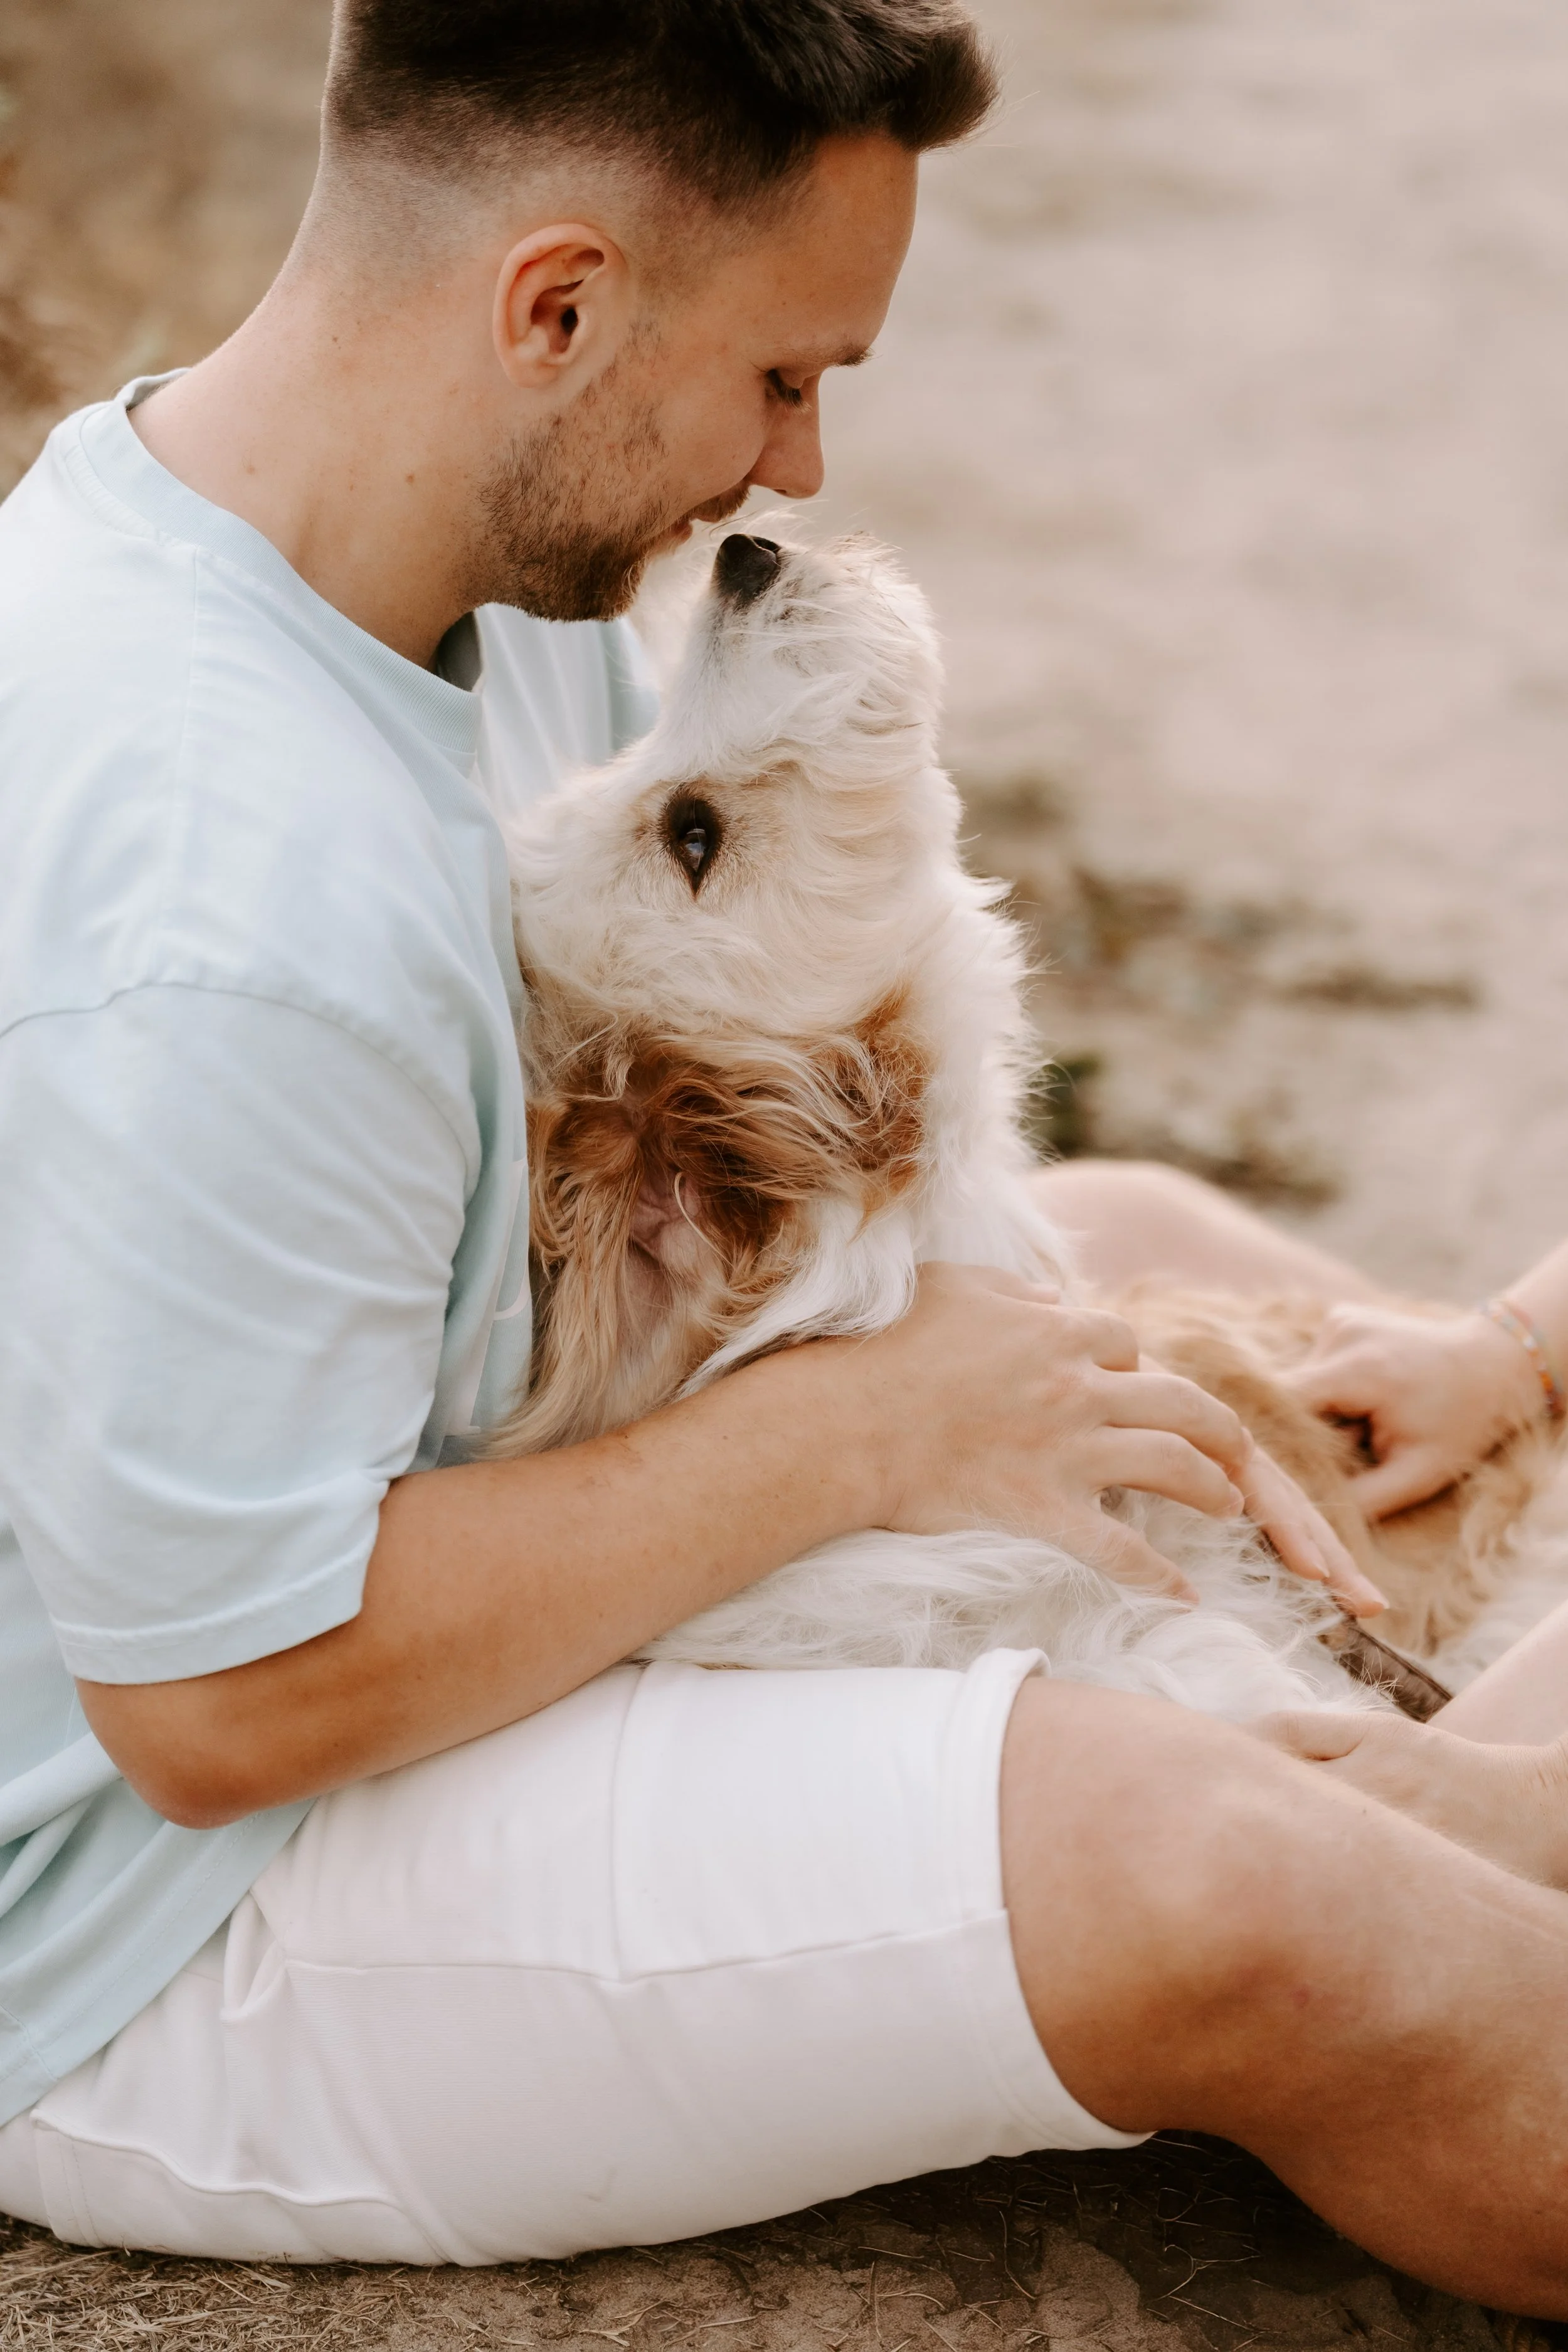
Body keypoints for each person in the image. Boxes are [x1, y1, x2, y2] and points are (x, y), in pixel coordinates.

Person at [1, 0, 1566, 2310]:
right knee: (1215, 1872)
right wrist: (863, 1429)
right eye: (780, 379)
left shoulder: (391, 562)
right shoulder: (227, 898)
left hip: (401, 1517)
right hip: (164, 1918)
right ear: (556, 303)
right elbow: (222, 1703)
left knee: (1128, 1252)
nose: (801, 468)